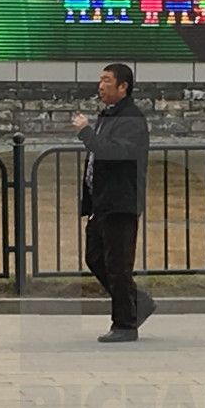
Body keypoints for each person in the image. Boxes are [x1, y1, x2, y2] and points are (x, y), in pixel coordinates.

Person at [72, 64, 157, 343]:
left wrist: (86, 132)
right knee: (95, 257)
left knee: (118, 264)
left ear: (123, 86)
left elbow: (115, 153)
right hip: (103, 202)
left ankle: (125, 324)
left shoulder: (131, 119)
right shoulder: (109, 115)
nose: (101, 85)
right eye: (100, 80)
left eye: (107, 81)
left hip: (121, 201)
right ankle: (136, 302)